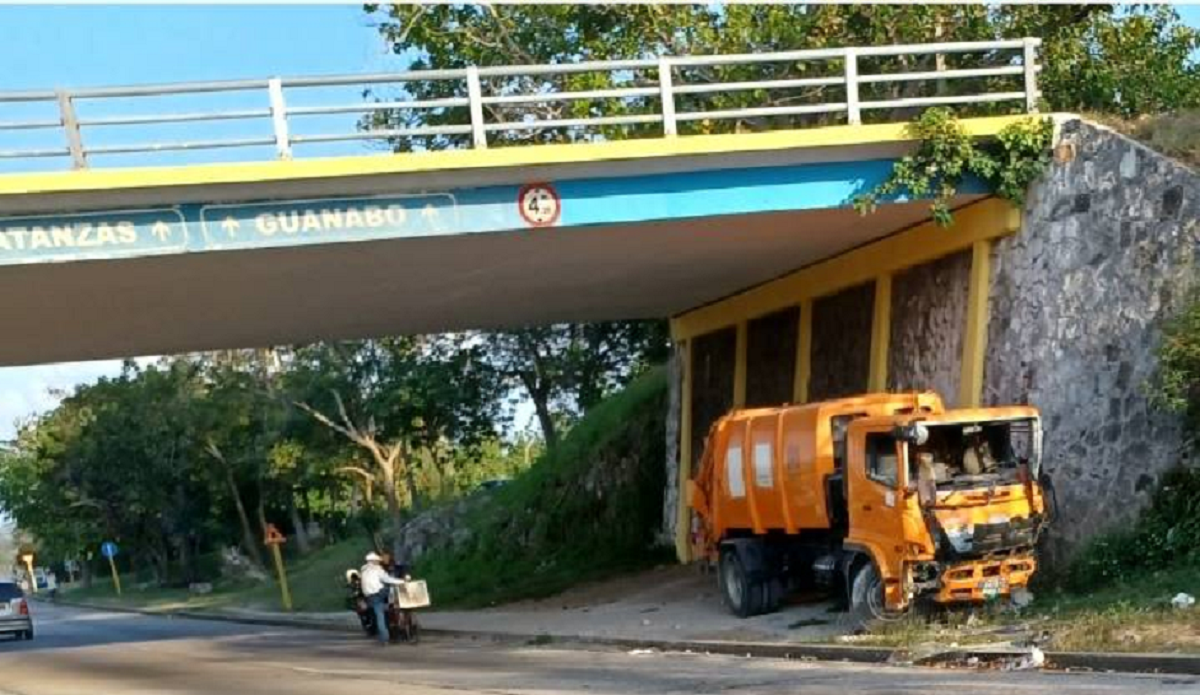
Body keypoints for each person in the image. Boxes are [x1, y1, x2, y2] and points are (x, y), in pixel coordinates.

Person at [359, 552, 406, 645]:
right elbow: (388, 579)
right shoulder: (377, 570)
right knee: (390, 589)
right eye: (377, 561)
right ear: (373, 561)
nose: (378, 562)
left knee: (379, 613)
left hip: (369, 597)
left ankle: (388, 607)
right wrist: (402, 582)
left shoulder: (363, 569)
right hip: (378, 594)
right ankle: (385, 638)